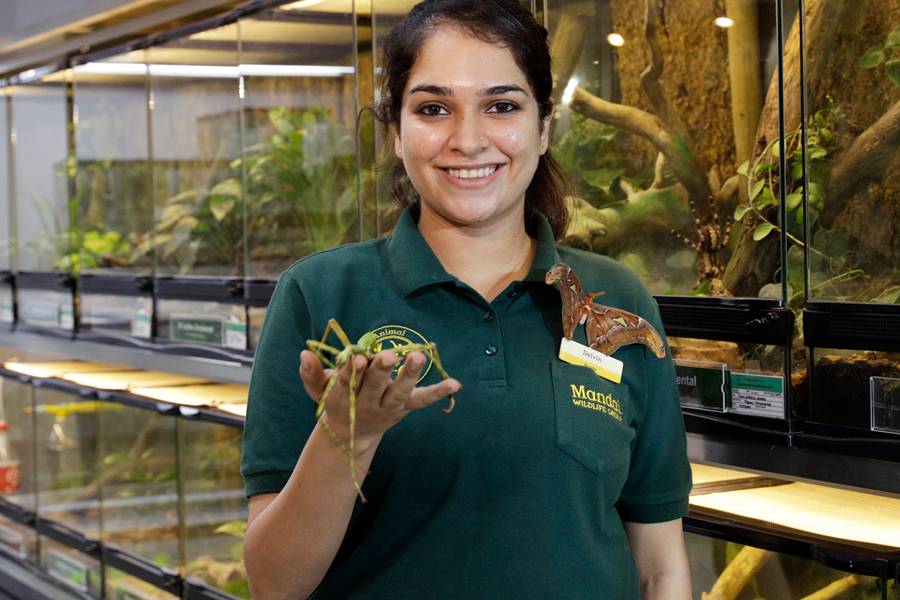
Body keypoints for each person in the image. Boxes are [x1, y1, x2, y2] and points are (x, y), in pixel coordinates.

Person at [240, 1, 692, 598]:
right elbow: (275, 585)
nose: (469, 140)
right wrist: (346, 437)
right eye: (433, 109)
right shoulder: (320, 295)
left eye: (501, 106)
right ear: (397, 134)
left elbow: (660, 564)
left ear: (544, 126)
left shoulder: (618, 299)